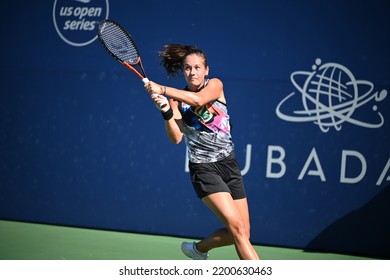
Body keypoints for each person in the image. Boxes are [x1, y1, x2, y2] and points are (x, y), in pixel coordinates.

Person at [144, 44, 259, 260]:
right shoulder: (176, 100)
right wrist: (167, 112)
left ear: (206, 70)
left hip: (229, 165)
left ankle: (198, 250)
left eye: (197, 68)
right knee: (236, 227)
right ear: (183, 71)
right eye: (187, 68)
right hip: (204, 170)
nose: (192, 72)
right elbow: (176, 137)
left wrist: (162, 88)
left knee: (243, 231)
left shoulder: (215, 85)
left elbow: (198, 100)